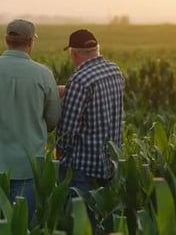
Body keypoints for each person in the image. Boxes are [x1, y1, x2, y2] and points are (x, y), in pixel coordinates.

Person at [0, 19, 61, 225]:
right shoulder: (43, 74)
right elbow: (53, 120)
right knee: (21, 225)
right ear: (31, 42)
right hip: (27, 165)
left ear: (6, 40)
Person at [56, 29, 124, 232]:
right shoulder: (114, 70)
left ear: (73, 54)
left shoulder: (80, 80)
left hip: (82, 166)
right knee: (101, 217)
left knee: (82, 223)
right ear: (96, 49)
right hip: (109, 161)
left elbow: (67, 131)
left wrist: (59, 155)